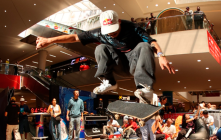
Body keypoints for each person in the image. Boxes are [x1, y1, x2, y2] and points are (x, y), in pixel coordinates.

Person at [36, 10, 175, 104]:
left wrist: (161, 55)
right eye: (108, 32)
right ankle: (109, 82)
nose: (111, 34)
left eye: (114, 30)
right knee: (100, 47)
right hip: (119, 64)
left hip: (135, 63)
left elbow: (151, 41)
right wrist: (49, 40)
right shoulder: (100, 33)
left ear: (119, 21)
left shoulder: (131, 27)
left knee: (144, 46)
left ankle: (145, 88)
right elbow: (74, 37)